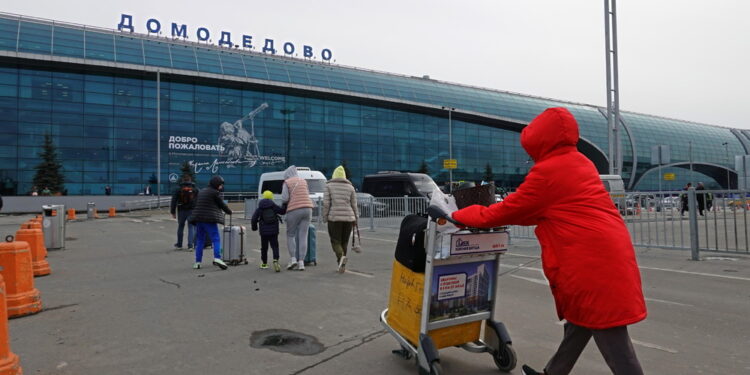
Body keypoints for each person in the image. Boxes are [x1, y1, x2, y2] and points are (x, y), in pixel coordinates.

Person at [450, 108, 646, 375]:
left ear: (539, 142)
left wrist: (456, 214)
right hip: (610, 252)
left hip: (590, 263)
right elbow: (547, 209)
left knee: (614, 343)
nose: (528, 155)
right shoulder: (580, 162)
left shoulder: (547, 173)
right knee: (580, 322)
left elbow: (505, 211)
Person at [189, 175, 231, 270]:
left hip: (199, 219)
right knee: (216, 239)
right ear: (216, 184)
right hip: (209, 220)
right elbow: (222, 205)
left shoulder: (202, 191)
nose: (221, 187)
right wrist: (229, 211)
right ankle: (217, 258)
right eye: (220, 185)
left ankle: (197, 262)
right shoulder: (214, 192)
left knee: (200, 240)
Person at [322, 165, 358, 273]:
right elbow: (354, 204)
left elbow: (326, 204)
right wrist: (356, 217)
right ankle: (341, 265)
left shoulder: (328, 186)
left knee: (335, 241)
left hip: (334, 218)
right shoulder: (350, 187)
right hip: (349, 218)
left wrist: (325, 217)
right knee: (344, 241)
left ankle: (341, 256)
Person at [281, 165, 314, 271]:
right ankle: (301, 263)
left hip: (294, 209)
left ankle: (293, 259)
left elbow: (285, 198)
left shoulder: (287, 182)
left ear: (287, 174)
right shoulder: (303, 181)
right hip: (308, 208)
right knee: (303, 235)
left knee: (290, 234)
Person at [251, 190, 286, 272]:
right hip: (274, 230)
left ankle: (264, 263)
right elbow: (282, 212)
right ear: (271, 197)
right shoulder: (273, 206)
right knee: (275, 246)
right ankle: (275, 260)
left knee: (264, 247)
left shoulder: (260, 208)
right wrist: (285, 205)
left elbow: (254, 219)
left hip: (263, 231)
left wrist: (254, 227)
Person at [170, 177, 198, 249]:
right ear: (190, 181)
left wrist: (173, 212)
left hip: (181, 211)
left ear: (182, 181)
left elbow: (173, 201)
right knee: (191, 227)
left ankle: (179, 245)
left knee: (181, 227)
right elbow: (199, 200)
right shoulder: (195, 189)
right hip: (192, 211)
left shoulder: (178, 190)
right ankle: (190, 245)